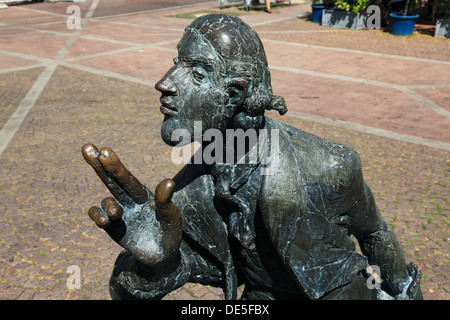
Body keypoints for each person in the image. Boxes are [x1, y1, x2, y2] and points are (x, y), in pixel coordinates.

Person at [82, 14, 422, 300]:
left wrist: (405, 294)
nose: (165, 84)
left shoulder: (328, 165)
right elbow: (133, 288)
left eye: (197, 73)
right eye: (177, 65)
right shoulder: (189, 191)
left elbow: (375, 233)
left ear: (235, 94)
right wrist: (154, 267)